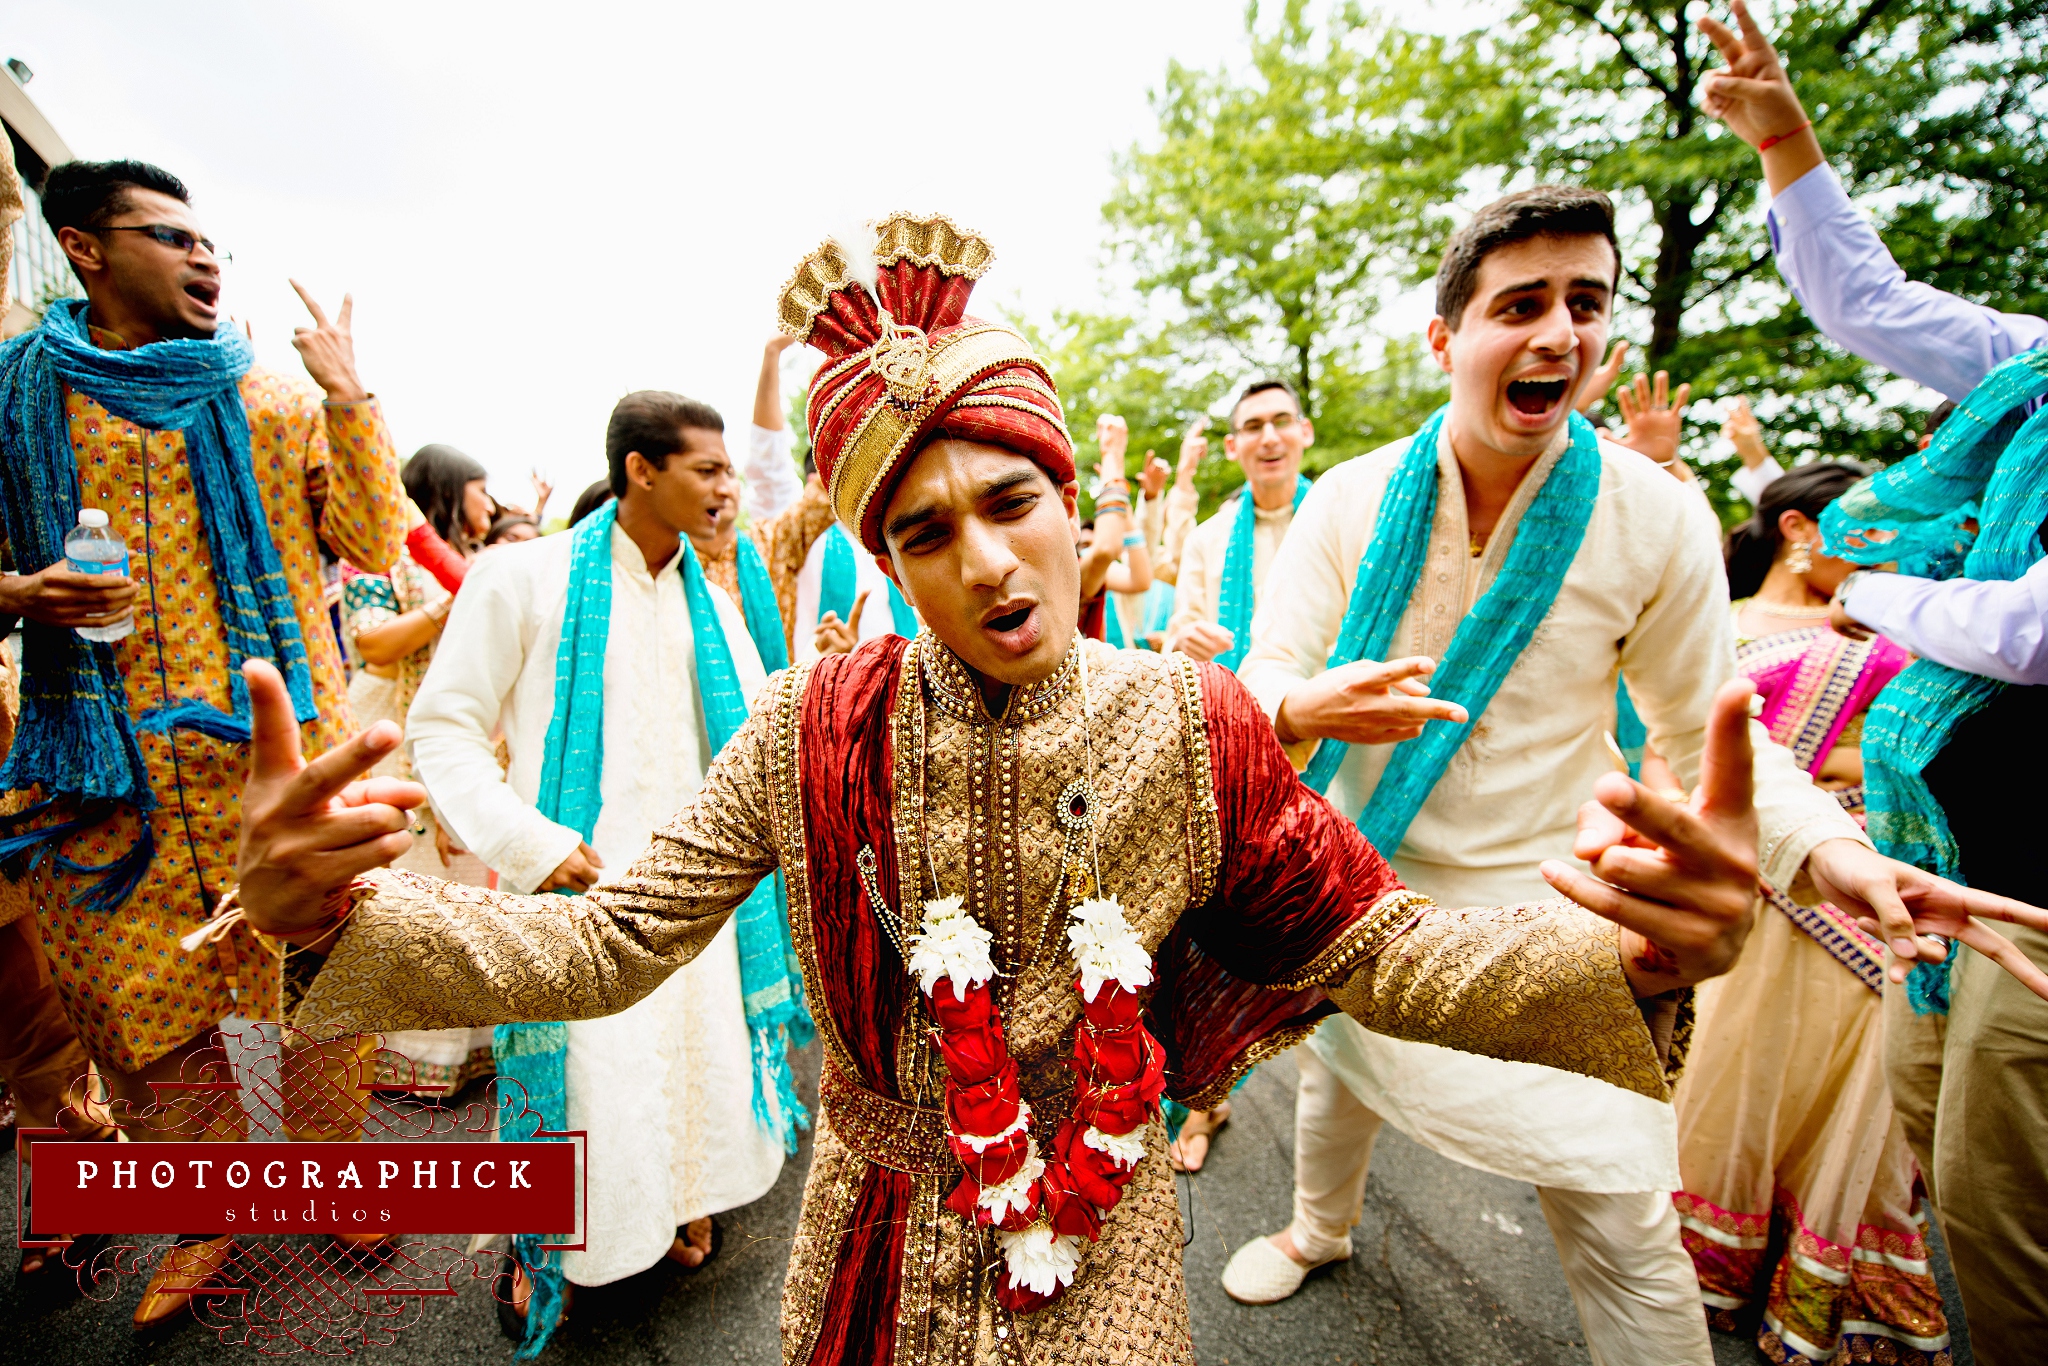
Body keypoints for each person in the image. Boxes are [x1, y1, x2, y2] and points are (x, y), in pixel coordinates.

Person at [216, 210, 2046, 1366]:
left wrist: (1643, 965)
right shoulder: (803, 722)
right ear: (882, 557)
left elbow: (1382, 950)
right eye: (920, 533)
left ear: (1069, 496)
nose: (983, 564)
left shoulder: (1196, 723)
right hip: (866, 1248)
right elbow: (608, 942)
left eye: (1008, 501)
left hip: (1102, 1255)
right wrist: (345, 922)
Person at [1228, 185, 2044, 1366]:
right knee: (1337, 1077)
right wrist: (1301, 707)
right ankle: (1317, 1226)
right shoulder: (1346, 500)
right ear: (1444, 339)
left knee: (1614, 1203)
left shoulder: (1655, 514)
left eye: (1584, 303)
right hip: (1364, 879)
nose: (1558, 332)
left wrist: (1837, 853)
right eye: (1520, 304)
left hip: (1550, 901)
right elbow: (1265, 681)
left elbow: (1708, 731)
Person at [1699, 5, 2048, 1357]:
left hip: (2029, 908)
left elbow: (2028, 634)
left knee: (1995, 1210)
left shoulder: (1870, 589)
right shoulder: (2029, 369)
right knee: (1951, 1177)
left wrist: (1870, 590)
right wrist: (1786, 138)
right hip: (1930, 876)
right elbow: (1871, 304)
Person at [0, 159, 405, 1323]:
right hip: (99, 774)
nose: (203, 255)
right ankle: (206, 1209)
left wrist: (349, 397)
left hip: (272, 772)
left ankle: (333, 1177)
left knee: (320, 982)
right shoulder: (16, 402)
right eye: (169, 237)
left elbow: (371, 541)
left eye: (208, 239)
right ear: (83, 248)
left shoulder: (272, 399)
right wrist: (20, 593)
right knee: (138, 1015)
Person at [397, 389, 811, 1352]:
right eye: (707, 469)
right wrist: (528, 844)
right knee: (589, 1077)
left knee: (690, 1059)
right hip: (575, 892)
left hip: (698, 900)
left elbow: (754, 731)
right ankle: (547, 1248)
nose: (725, 488)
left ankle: (669, 1204)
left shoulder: (711, 596)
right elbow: (444, 728)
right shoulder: (522, 577)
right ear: (641, 471)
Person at [1671, 462, 1947, 1363]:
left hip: (1858, 898)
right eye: (1872, 535)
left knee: (1839, 1106)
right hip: (1748, 888)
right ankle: (1714, 1268)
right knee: (1732, 1082)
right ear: (1799, 531)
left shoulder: (1892, 632)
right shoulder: (1720, 618)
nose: (1894, 555)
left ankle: (1816, 1290)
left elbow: (1915, 761)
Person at [339, 444, 495, 1098]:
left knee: (468, 897)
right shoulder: (380, 557)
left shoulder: (477, 564)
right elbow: (369, 640)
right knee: (408, 894)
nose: (489, 504)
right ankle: (405, 1059)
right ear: (449, 491)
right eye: (480, 490)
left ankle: (468, 1057)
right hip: (394, 736)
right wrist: (446, 606)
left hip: (465, 741)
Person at [1165, 381, 1313, 667]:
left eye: (1282, 422)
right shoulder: (1205, 540)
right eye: (1254, 427)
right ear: (1232, 446)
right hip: (1235, 702)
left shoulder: (1337, 519)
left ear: (1305, 431)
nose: (1269, 438)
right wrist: (1183, 643)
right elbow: (1177, 639)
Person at [1075, 415, 1152, 646]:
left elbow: (1141, 580)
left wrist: (1123, 502)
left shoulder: (1090, 570)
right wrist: (1111, 456)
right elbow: (1106, 549)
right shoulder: (1068, 572)